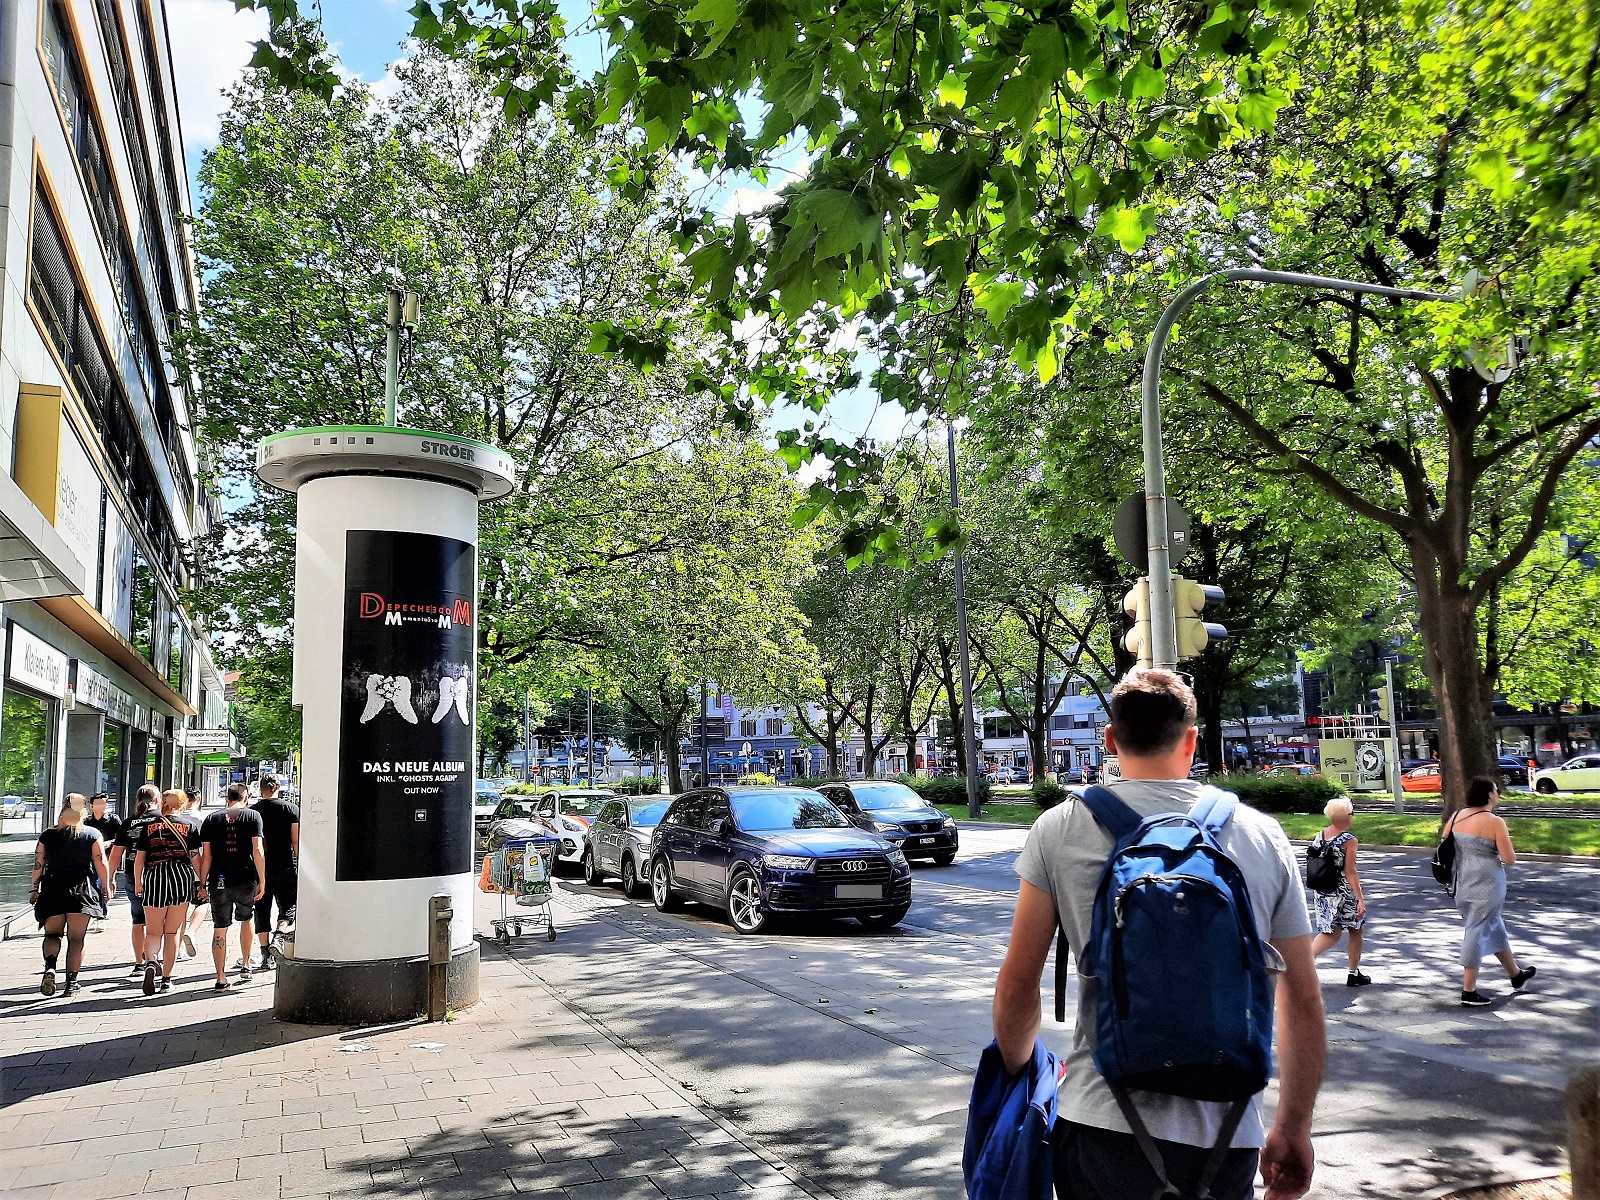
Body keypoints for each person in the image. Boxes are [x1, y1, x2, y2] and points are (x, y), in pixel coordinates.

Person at [992, 670, 1326, 1200]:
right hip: (1228, 1136)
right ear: (1191, 740)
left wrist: (1016, 1073)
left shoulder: (1060, 828)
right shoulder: (1262, 834)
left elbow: (1018, 984)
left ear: (1109, 739)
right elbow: (1303, 999)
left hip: (1102, 1125)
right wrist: (1293, 1127)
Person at [1447, 777, 1536, 1006]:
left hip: (1462, 883)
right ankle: (1469, 991)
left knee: (1494, 927)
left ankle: (1516, 975)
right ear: (1489, 795)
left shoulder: (1457, 816)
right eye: (1496, 790)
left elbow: (1446, 843)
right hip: (1487, 885)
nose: (1498, 793)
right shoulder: (1494, 822)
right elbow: (1509, 858)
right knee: (1476, 931)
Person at [28, 796, 111, 996]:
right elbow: (101, 861)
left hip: (52, 889)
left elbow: (38, 864)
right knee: (76, 939)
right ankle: (71, 983)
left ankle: (50, 967)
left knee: (52, 935)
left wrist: (34, 889)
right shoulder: (92, 834)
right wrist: (106, 886)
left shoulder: (48, 835)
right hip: (82, 890)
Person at [198, 783, 266, 991]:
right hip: (245, 878)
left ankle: (220, 977)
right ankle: (245, 965)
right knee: (246, 919)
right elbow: (257, 850)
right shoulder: (253, 816)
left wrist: (202, 882)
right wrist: (262, 879)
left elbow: (206, 856)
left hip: (218, 880)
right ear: (246, 798)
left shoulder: (211, 819)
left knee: (220, 927)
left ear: (227, 798)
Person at [133, 789, 200, 995]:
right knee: (172, 932)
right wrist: (203, 881)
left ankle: (151, 961)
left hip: (155, 877)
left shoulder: (149, 827)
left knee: (153, 931)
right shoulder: (189, 826)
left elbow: (139, 858)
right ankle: (166, 980)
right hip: (181, 877)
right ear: (182, 804)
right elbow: (195, 857)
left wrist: (138, 882)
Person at [1309, 797, 1370, 986]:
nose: (1352, 817)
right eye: (1351, 814)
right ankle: (1352, 972)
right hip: (1343, 892)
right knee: (1354, 930)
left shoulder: (1320, 836)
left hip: (1323, 891)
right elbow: (1350, 871)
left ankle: (1306, 963)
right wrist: (1360, 898)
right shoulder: (1348, 840)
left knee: (1331, 931)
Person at [108, 785, 161, 978]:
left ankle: (139, 962)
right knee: (159, 919)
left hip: (133, 874)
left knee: (138, 919)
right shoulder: (162, 819)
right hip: (159, 873)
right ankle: (153, 958)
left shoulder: (130, 822)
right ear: (157, 799)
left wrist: (110, 877)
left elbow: (116, 853)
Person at [250, 774, 299, 972]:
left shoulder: (253, 811)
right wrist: (300, 863)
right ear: (278, 786)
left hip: (259, 867)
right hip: (284, 864)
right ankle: (279, 936)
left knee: (261, 907)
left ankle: (265, 955)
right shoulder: (291, 809)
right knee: (289, 905)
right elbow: (295, 841)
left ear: (261, 788)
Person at [83, 794, 122, 935]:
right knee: (93, 886)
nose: (101, 806)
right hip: (91, 860)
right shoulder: (87, 821)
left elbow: (122, 838)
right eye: (98, 803)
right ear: (91, 806)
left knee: (103, 886)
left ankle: (102, 916)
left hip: (108, 858)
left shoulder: (113, 819)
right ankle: (97, 914)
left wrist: (110, 843)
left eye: (104, 803)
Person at [179, 789, 208, 960]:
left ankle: (178, 948)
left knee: (180, 908)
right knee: (202, 903)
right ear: (199, 799)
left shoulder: (174, 818)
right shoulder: (203, 819)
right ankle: (191, 930)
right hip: (198, 870)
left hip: (178, 871)